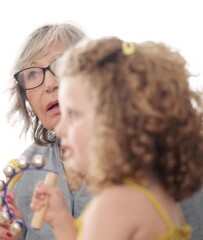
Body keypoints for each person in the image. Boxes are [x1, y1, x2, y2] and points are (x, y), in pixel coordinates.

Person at [30, 36, 203, 239]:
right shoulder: (155, 193)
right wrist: (62, 222)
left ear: (116, 120)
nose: (60, 128)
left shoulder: (115, 205)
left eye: (74, 114)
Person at [0, 23, 92, 240]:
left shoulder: (141, 152)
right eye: (32, 75)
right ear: (26, 99)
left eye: (61, 66)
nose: (49, 84)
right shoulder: (26, 170)